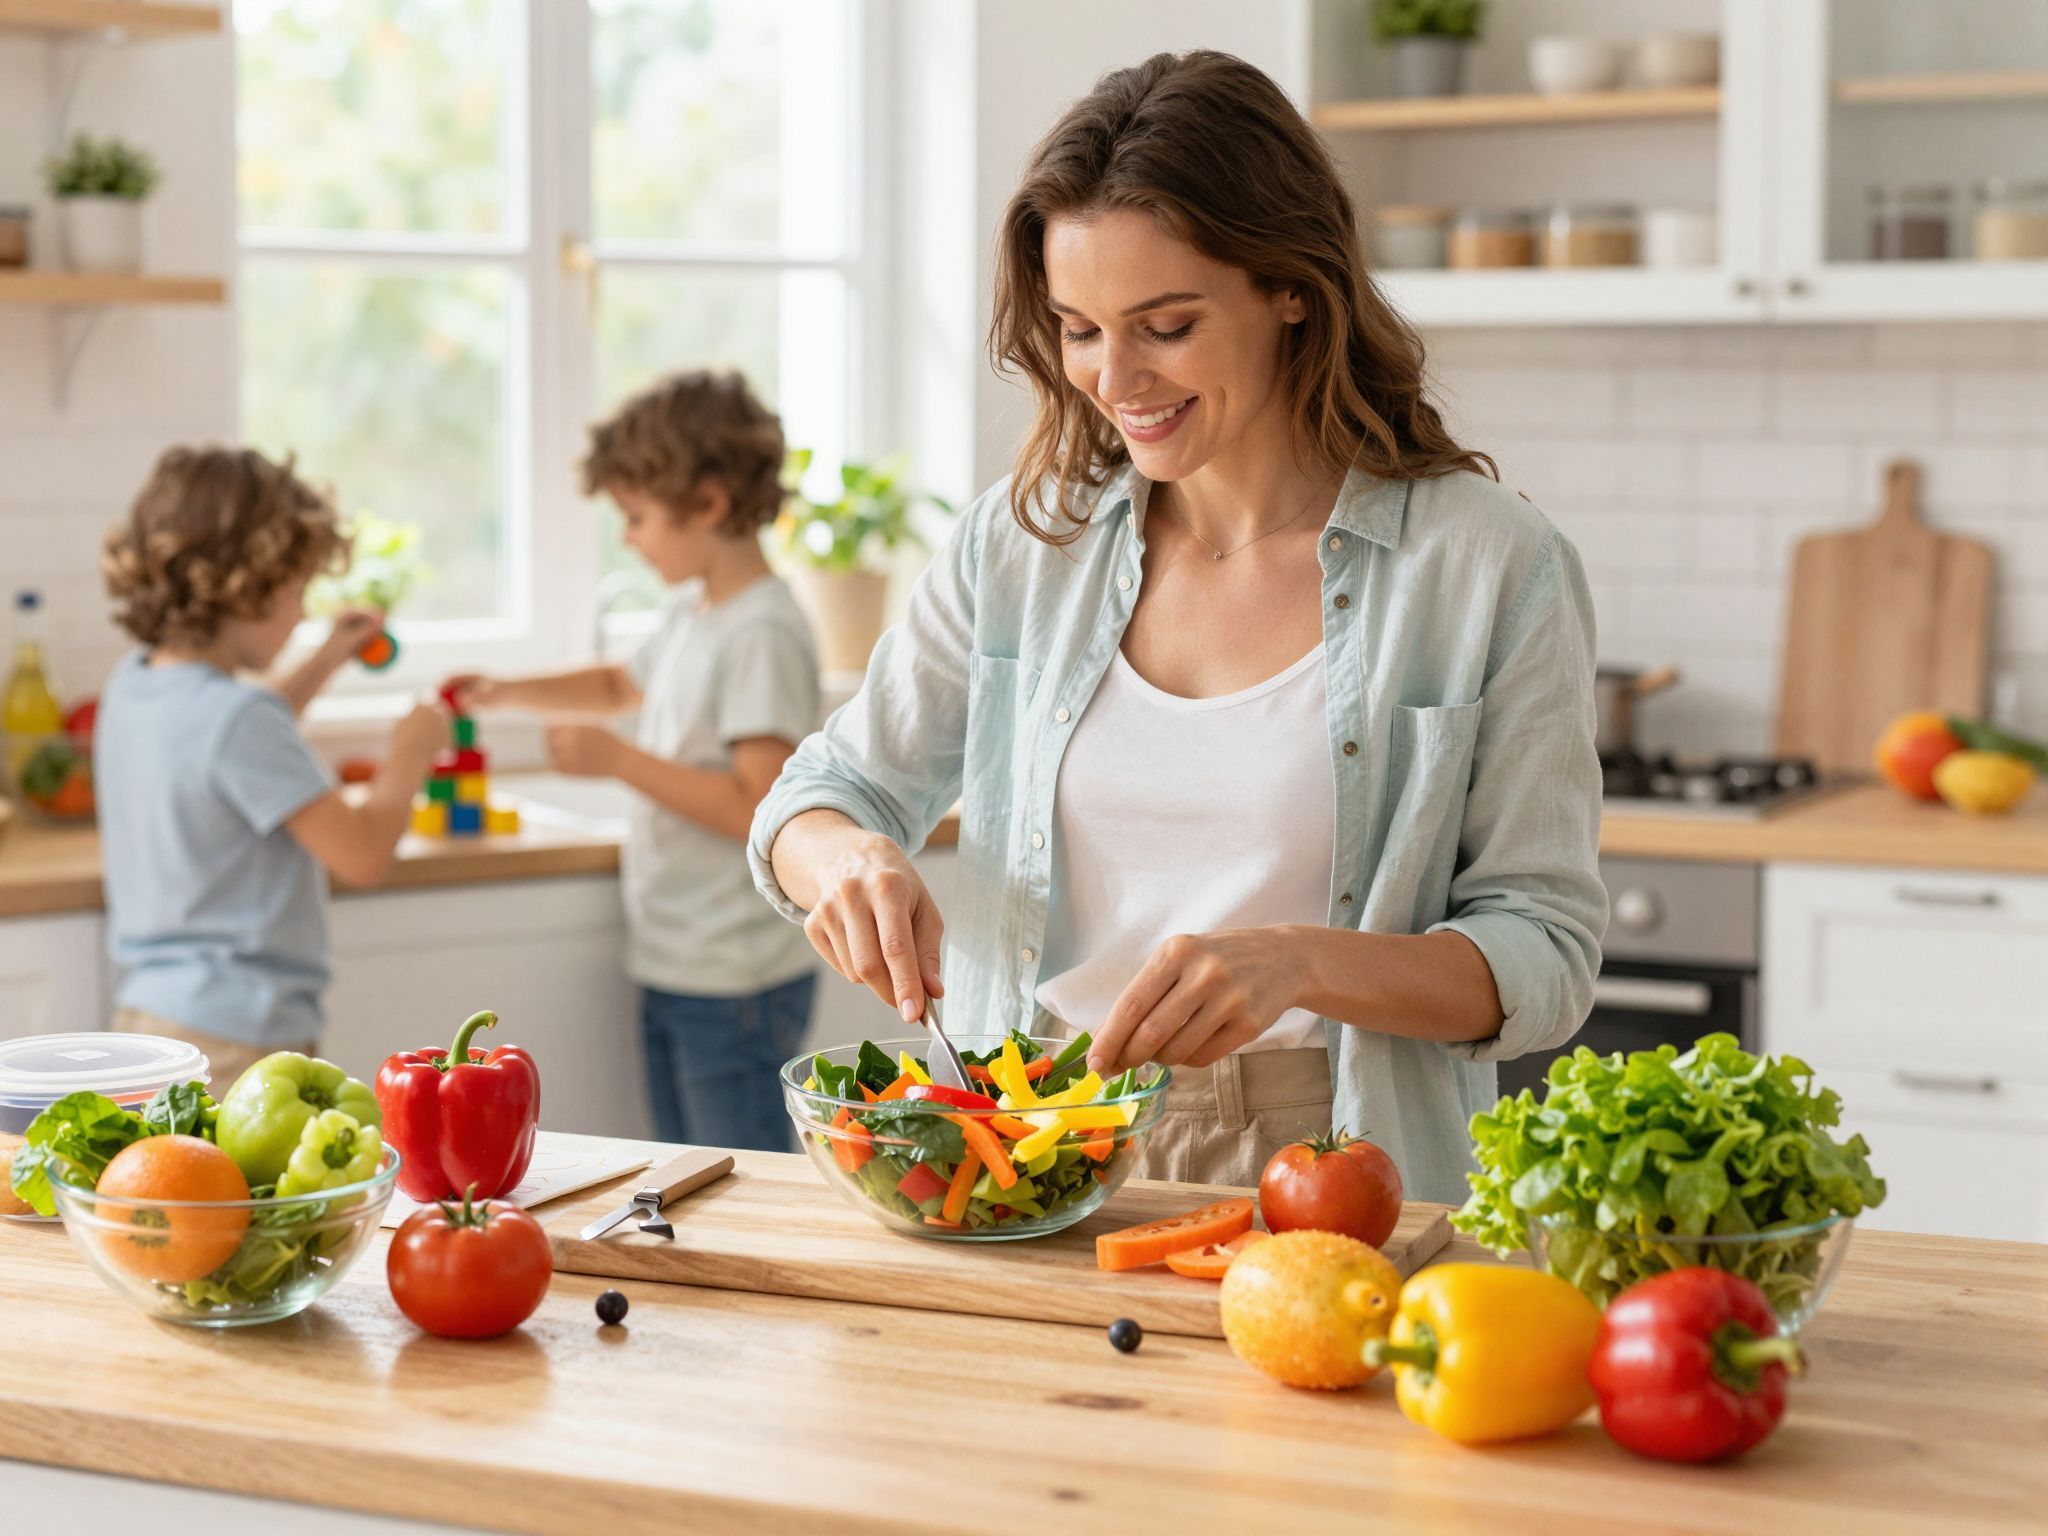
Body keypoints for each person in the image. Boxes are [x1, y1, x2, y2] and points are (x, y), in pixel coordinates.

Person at [746, 52, 1606, 1200]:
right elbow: (820, 793)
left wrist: (1299, 964)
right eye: (1078, 328)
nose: (1114, 377)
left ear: (1290, 287)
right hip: (1031, 1149)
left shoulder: (1487, 564)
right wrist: (845, 857)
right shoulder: (1021, 546)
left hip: (1332, 1164)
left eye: (1164, 324)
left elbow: (1542, 952)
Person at [448, 371, 821, 1153]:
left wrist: (618, 760)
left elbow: (762, 806)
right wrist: (508, 690)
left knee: (738, 1179)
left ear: (709, 505)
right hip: (680, 959)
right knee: (688, 1173)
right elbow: (621, 682)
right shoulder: (695, 613)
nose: (628, 538)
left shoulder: (761, 633)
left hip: (736, 977)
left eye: (637, 517)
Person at [97, 446, 451, 1081]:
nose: (303, 610)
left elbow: (224, 748)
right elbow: (363, 854)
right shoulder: (239, 718)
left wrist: (323, 661)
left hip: (152, 1023)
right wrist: (411, 754)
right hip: (239, 1038)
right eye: (296, 590)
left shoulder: (135, 683)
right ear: (246, 588)